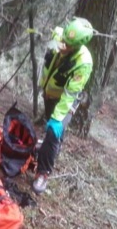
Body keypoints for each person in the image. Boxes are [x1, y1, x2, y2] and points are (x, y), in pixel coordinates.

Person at [32, 17, 94, 194]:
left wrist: (58, 118)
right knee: (54, 138)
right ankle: (49, 148)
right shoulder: (59, 36)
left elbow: (71, 93)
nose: (63, 46)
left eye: (68, 45)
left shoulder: (83, 62)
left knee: (53, 131)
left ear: (78, 46)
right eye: (64, 41)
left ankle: (43, 173)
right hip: (49, 93)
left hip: (66, 100)